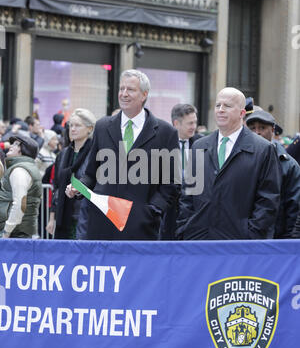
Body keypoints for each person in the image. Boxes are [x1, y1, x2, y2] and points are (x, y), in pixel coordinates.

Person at [66, 69, 180, 240]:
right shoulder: (103, 126)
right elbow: (91, 173)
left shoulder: (165, 132)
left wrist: (151, 211)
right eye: (121, 89)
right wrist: (79, 187)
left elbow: (171, 183)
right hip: (101, 223)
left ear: (144, 95)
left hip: (141, 226)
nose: (124, 94)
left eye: (130, 90)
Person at [176, 87, 281, 240]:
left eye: (227, 106)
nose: (221, 110)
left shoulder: (263, 150)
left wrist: (251, 234)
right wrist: (186, 228)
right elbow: (188, 194)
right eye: (218, 105)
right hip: (199, 241)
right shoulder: (200, 146)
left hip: (239, 244)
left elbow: (268, 200)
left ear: (242, 113)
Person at [246, 109, 300, 238]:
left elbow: (294, 208)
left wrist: (288, 242)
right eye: (252, 128)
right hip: (244, 239)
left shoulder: (289, 165)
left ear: (273, 130)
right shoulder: (239, 161)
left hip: (277, 239)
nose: (257, 132)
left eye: (262, 128)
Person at [46, 108, 96, 239]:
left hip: (86, 215)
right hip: (64, 215)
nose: (73, 129)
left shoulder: (95, 153)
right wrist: (52, 218)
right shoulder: (63, 154)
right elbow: (57, 187)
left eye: (78, 125)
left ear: (89, 129)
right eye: (71, 125)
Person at [160, 103, 200, 239]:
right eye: (190, 123)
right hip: (169, 210)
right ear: (176, 123)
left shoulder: (201, 144)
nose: (194, 127)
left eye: (195, 122)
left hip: (193, 210)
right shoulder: (162, 145)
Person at [0, 134, 42, 238]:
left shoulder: (20, 170)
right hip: (16, 233)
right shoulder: (22, 168)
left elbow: (20, 204)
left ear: (23, 150)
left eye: (15, 144)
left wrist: (6, 232)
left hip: (14, 235)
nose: (10, 146)